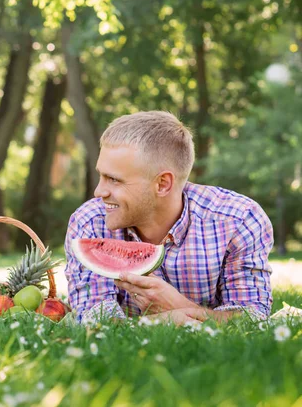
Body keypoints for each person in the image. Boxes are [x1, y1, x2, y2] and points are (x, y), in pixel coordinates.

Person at [65, 111, 273, 325]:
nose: (99, 192)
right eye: (101, 175)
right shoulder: (89, 222)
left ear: (163, 184)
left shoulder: (238, 219)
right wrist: (162, 322)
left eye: (114, 180)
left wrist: (181, 307)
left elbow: (252, 320)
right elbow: (95, 323)